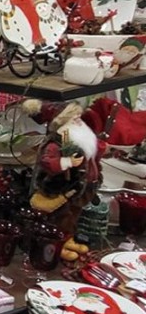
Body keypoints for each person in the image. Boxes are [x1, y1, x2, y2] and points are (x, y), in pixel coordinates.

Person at [23, 98, 101, 261]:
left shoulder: (80, 139)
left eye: (79, 116)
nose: (79, 120)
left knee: (73, 215)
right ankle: (56, 242)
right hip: (62, 188)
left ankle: (67, 239)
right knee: (61, 217)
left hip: (81, 188)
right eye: (74, 118)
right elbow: (47, 162)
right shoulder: (55, 143)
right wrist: (67, 162)